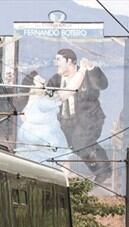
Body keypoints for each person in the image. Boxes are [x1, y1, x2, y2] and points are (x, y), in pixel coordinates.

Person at [46, 48, 110, 181]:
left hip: (89, 118)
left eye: (58, 59)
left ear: (69, 61)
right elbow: (49, 95)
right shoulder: (56, 79)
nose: (56, 63)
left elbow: (102, 85)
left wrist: (92, 68)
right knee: (71, 146)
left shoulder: (87, 74)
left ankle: (103, 171)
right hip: (66, 122)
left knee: (81, 142)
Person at [15, 71, 70, 164]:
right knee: (60, 157)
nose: (44, 81)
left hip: (31, 137)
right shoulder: (41, 102)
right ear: (32, 87)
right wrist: (81, 71)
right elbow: (63, 96)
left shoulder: (28, 103)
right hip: (44, 138)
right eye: (40, 81)